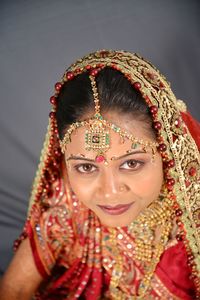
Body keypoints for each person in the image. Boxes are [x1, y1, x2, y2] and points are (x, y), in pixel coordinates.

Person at [0, 50, 199, 299]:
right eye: (86, 167)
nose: (109, 192)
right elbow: (14, 289)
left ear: (168, 150)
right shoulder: (68, 203)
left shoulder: (193, 221)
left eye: (132, 163)